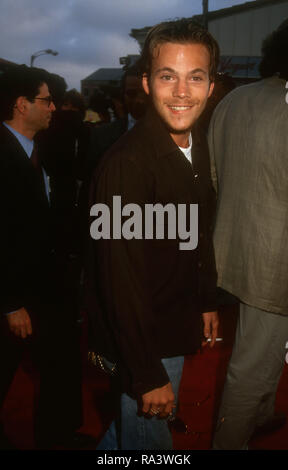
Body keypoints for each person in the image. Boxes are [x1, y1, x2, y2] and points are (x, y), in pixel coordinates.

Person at [85, 19, 219, 450]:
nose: (182, 92)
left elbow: (194, 235)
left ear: (211, 86)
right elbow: (117, 279)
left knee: (130, 435)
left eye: (194, 77)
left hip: (173, 319)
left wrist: (206, 300)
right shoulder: (127, 165)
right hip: (145, 341)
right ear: (146, 82)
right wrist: (146, 373)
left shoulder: (194, 143)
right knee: (147, 442)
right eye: (168, 76)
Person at [0, 65, 94, 449]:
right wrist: (10, 304)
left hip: (48, 287)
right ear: (21, 105)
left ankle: (58, 437)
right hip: (16, 295)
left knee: (61, 367)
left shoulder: (39, 148)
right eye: (46, 100)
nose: (54, 107)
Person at [208, 20, 288, 450]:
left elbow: (216, 176)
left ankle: (261, 413)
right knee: (251, 363)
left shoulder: (237, 98)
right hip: (276, 265)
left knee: (262, 347)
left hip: (235, 250)